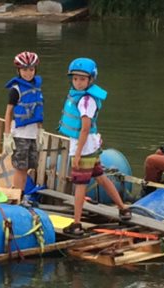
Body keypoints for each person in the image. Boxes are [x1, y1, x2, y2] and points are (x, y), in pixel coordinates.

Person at [57, 57, 131, 236]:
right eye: (75, 79)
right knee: (100, 177)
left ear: (91, 80)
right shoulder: (80, 97)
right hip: (90, 146)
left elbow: (85, 128)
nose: (78, 83)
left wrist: (77, 154)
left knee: (80, 185)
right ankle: (123, 209)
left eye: (82, 79)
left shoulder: (85, 101)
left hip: (84, 149)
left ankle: (76, 224)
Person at [2, 51, 45, 201]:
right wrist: (7, 136)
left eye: (31, 69)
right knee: (20, 169)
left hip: (33, 133)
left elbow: (38, 110)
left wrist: (41, 130)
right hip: (20, 134)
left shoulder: (36, 87)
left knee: (28, 167)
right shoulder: (16, 90)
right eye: (25, 70)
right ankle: (17, 197)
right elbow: (8, 113)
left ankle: (22, 195)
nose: (28, 73)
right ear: (19, 71)